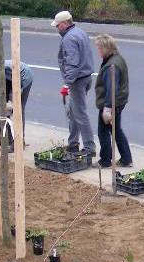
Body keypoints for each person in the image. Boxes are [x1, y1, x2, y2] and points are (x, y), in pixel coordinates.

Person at [52, 10, 96, 156]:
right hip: (86, 77)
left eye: (58, 26)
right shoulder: (80, 32)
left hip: (77, 80)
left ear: (64, 24)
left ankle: (89, 148)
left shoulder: (69, 38)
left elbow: (72, 63)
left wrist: (67, 83)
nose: (57, 29)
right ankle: (73, 144)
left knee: (80, 114)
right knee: (73, 112)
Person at [94, 34, 132, 168]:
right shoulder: (117, 58)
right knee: (116, 129)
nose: (98, 51)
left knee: (103, 131)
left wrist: (107, 108)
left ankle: (105, 160)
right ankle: (126, 159)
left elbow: (111, 89)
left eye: (99, 48)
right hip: (119, 101)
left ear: (106, 48)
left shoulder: (112, 66)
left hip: (111, 103)